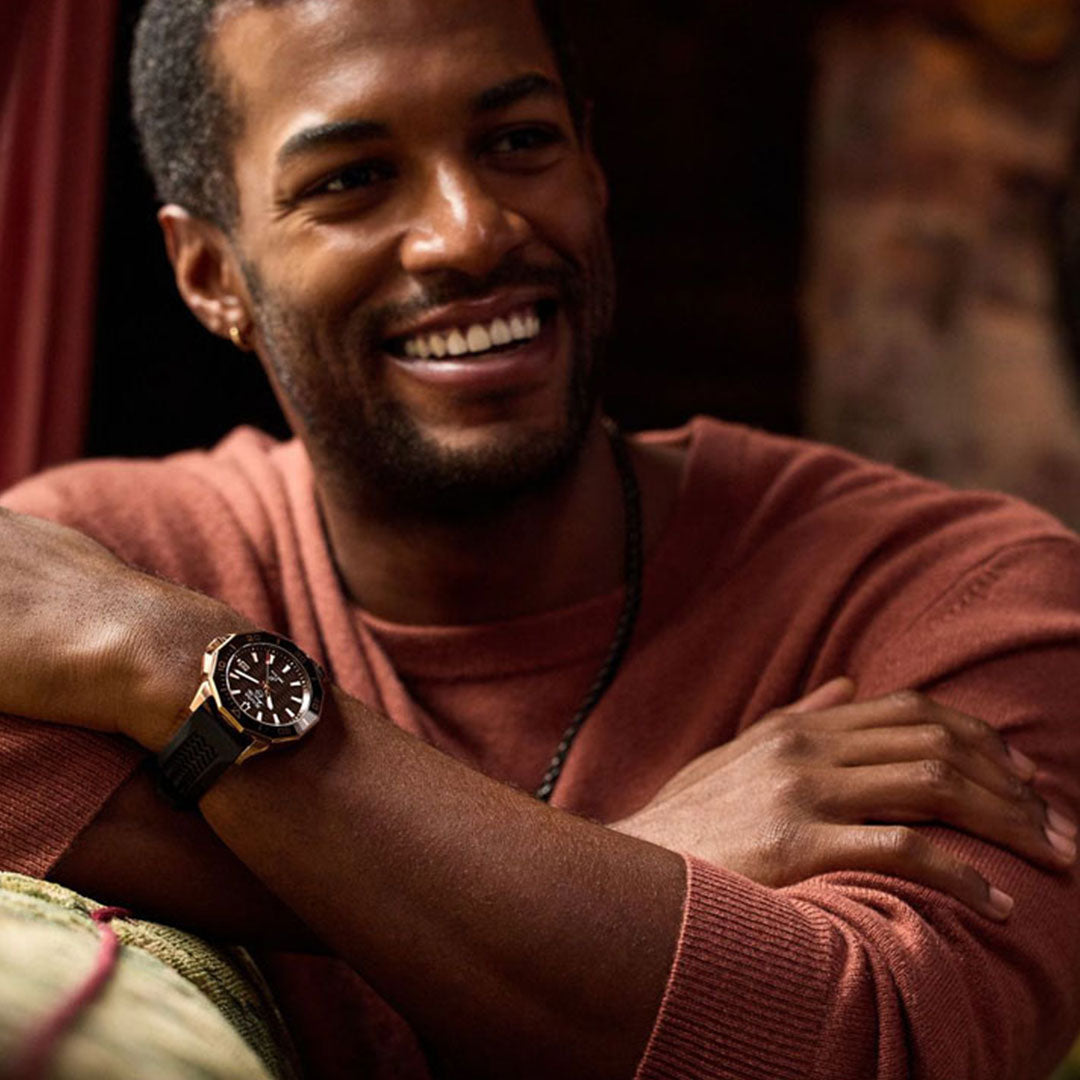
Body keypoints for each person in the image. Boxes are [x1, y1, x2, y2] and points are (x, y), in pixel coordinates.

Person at [1, 1, 1079, 1076]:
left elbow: (867, 1042)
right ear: (211, 274)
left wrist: (183, 671)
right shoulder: (99, 562)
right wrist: (639, 862)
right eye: (351, 179)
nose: (470, 232)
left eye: (518, 144)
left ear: (594, 169)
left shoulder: (968, 596)